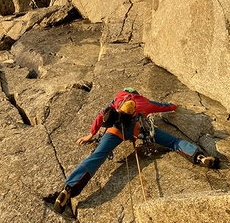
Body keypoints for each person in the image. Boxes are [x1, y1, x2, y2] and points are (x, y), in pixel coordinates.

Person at [49, 88, 219, 213]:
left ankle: (69, 188)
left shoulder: (118, 97)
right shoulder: (144, 102)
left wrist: (90, 134)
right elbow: (162, 106)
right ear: (137, 93)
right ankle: (199, 156)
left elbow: (102, 115)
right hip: (139, 129)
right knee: (173, 141)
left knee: (96, 157)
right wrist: (174, 105)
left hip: (115, 130)